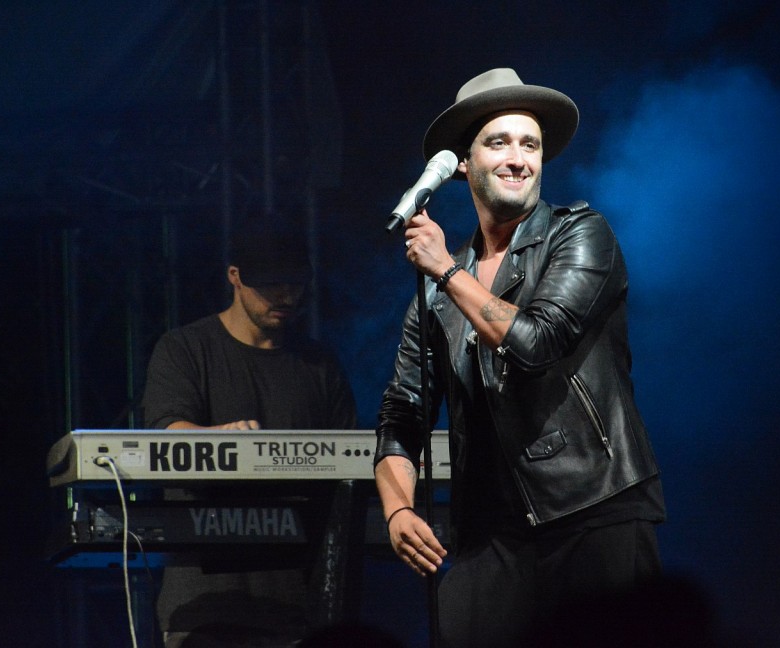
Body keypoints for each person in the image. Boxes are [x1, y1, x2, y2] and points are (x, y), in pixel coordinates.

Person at [374, 68, 667, 648]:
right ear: (462, 164)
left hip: (592, 511)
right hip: (490, 535)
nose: (518, 159)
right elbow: (403, 412)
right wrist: (397, 510)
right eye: (499, 143)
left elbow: (537, 341)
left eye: (530, 145)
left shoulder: (579, 235)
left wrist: (447, 270)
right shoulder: (437, 292)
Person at [141, 215, 358, 647]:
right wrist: (223, 439)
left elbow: (351, 462)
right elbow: (167, 434)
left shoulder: (319, 364)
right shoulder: (184, 349)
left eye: (295, 284)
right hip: (205, 610)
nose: (286, 296)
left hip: (297, 609)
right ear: (235, 277)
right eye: (271, 285)